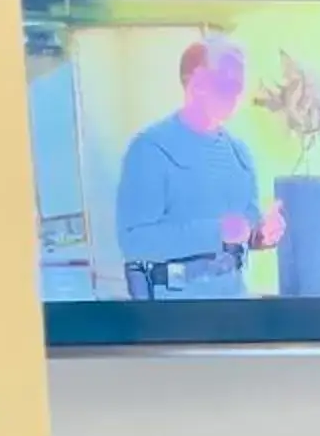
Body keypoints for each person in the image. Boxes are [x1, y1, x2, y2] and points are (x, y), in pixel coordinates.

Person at [114, 37, 284, 299]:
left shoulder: (241, 154)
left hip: (234, 306)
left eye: (239, 82)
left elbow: (246, 233)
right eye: (226, 79)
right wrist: (217, 232)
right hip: (173, 311)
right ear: (196, 80)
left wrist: (262, 235)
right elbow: (134, 242)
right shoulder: (151, 150)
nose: (236, 91)